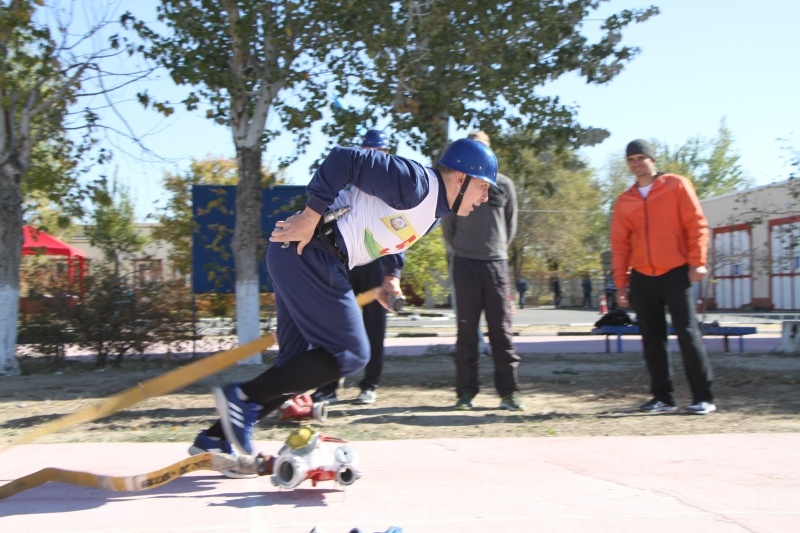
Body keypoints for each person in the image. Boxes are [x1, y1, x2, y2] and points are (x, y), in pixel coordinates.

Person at [190, 137, 498, 456]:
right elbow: (344, 159)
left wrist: (392, 276)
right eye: (483, 186)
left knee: (297, 369)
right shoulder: (417, 182)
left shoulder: (433, 211)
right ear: (461, 177)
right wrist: (310, 216)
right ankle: (240, 399)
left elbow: (388, 231)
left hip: (300, 256)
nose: (486, 196)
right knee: (351, 354)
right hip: (312, 253)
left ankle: (217, 436)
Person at [610, 138, 715, 415]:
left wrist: (698, 262)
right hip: (643, 276)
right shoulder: (625, 201)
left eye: (641, 157)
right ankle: (663, 398)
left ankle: (703, 397)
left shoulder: (676, 185)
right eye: (631, 159)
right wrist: (621, 283)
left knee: (688, 334)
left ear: (652, 159)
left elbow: (696, 224)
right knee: (652, 339)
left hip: (676, 271)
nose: (636, 163)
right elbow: (620, 245)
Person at [311, 129, 403, 406]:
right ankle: (328, 387)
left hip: (376, 267)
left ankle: (369, 385)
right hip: (345, 264)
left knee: (374, 328)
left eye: (380, 154)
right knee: (335, 325)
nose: (374, 159)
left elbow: (401, 235)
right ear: (362, 153)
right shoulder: (346, 185)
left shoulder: (395, 193)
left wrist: (394, 274)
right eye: (368, 153)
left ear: (387, 155)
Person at [441, 130, 523, 411]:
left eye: (483, 147)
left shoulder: (504, 185)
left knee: (501, 329)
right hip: (464, 262)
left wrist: (495, 248)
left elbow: (510, 226)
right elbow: (448, 227)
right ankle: (465, 393)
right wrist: (464, 248)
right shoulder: (458, 184)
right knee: (466, 330)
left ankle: (509, 393)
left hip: (496, 264)